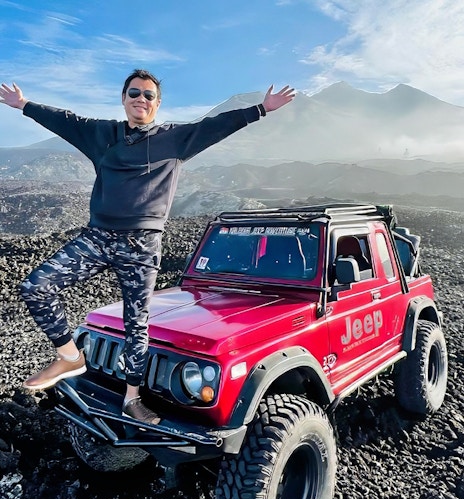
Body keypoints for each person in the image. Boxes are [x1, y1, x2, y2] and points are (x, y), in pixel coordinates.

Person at [0, 69, 295, 425]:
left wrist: (261, 108)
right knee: (36, 286)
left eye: (149, 95)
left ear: (158, 103)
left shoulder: (175, 139)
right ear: (124, 99)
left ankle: (131, 399)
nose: (141, 99)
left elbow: (215, 125)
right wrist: (24, 105)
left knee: (135, 324)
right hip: (99, 237)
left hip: (142, 245)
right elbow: (65, 121)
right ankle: (70, 356)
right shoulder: (102, 135)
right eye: (134, 93)